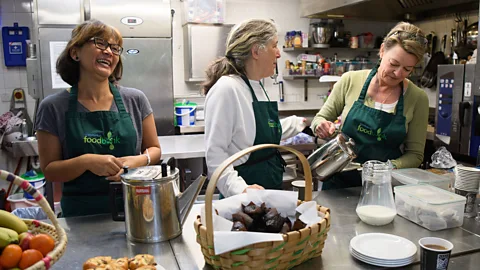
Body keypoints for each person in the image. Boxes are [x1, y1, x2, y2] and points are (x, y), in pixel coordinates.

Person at [35, 20, 161, 217]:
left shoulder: (135, 99)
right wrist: (86, 161)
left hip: (134, 209)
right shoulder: (52, 107)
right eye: (100, 43)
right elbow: (50, 170)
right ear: (75, 53)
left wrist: (137, 161)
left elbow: (154, 150)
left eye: (114, 47)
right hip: (80, 216)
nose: (109, 52)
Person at [311, 22, 429, 190]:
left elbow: (415, 155)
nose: (398, 73)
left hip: (383, 186)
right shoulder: (350, 80)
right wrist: (321, 126)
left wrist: (386, 168)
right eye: (394, 64)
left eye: (407, 69)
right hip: (339, 179)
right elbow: (319, 119)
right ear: (382, 51)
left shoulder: (418, 98)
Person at [204, 19, 308, 198]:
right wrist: (241, 190)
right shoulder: (227, 89)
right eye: (274, 46)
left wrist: (301, 124)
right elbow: (216, 155)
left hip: (269, 186)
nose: (279, 54)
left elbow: (260, 132)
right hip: (244, 195)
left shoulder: (257, 86)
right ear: (256, 51)